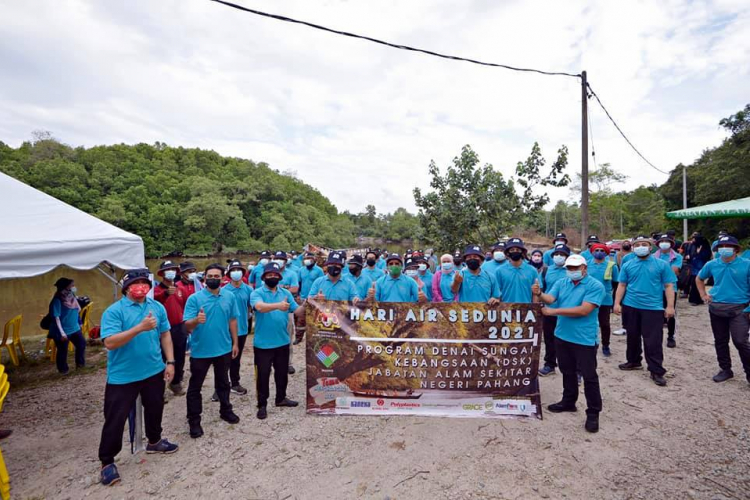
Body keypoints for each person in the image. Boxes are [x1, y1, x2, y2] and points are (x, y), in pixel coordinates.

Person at [98, 269, 178, 486]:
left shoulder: (156, 307)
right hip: (123, 376)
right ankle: (107, 461)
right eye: (136, 283)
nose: (141, 287)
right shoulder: (114, 311)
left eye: (145, 283)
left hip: (153, 370)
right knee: (115, 418)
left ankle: (154, 441)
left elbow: (165, 334)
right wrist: (139, 328)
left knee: (155, 408)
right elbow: (110, 342)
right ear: (126, 287)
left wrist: (170, 361)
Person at [533, 254, 604, 433]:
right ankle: (569, 401)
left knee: (589, 376)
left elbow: (583, 310)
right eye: (569, 268)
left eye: (576, 268)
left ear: (584, 268)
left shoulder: (595, 286)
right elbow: (550, 298)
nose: (572, 271)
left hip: (584, 339)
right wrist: (540, 293)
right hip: (562, 335)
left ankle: (593, 412)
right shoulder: (562, 282)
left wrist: (553, 312)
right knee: (567, 371)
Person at [183, 264, 240, 439]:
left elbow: (232, 320)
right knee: (195, 387)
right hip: (201, 350)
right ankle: (194, 420)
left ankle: (225, 410)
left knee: (223, 382)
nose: (213, 278)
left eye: (217, 276)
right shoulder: (194, 298)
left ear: (223, 278)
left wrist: (235, 342)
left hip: (223, 348)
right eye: (210, 276)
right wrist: (196, 320)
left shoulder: (229, 296)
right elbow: (186, 325)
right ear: (204, 278)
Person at [614, 235, 676, 386]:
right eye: (638, 244)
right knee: (632, 336)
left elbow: (669, 286)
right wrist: (617, 303)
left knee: (653, 341)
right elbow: (622, 285)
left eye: (644, 244)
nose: (641, 247)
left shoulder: (661, 264)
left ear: (650, 247)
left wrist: (669, 306)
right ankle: (634, 361)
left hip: (653, 308)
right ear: (633, 247)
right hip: (630, 305)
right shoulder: (628, 264)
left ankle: (656, 370)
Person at [250, 262, 304, 419]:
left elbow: (298, 311)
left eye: (275, 275)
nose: (272, 277)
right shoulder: (257, 293)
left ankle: (281, 398)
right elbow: (259, 307)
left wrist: (309, 304)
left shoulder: (285, 293)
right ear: (264, 277)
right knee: (263, 375)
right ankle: (262, 404)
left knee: (281, 374)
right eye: (269, 275)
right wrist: (278, 305)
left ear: (279, 277)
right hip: (263, 344)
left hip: (282, 342)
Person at [695, 235, 750, 384]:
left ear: (736, 249)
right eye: (721, 247)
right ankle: (725, 369)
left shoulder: (746, 264)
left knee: (740, 341)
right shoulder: (712, 264)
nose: (724, 249)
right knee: (720, 340)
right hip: (717, 307)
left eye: (728, 246)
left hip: (740, 308)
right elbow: (699, 278)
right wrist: (703, 294)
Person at [153, 261, 188, 395]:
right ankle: (159, 388)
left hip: (179, 327)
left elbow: (186, 306)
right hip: (161, 329)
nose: (171, 272)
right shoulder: (156, 290)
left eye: (174, 269)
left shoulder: (181, 289)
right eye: (168, 270)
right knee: (161, 358)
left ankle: (175, 383)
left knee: (179, 357)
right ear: (162, 273)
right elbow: (154, 302)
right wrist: (166, 294)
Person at [220, 260, 254, 396]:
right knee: (222, 359)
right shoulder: (223, 290)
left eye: (238, 269)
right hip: (226, 330)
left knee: (236, 358)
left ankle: (234, 383)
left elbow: (252, 307)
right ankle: (220, 386)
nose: (236, 272)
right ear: (228, 273)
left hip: (242, 329)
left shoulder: (248, 289)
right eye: (233, 270)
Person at [538, 244, 571, 376]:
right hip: (549, 310)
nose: (559, 256)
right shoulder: (546, 271)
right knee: (549, 339)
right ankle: (550, 364)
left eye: (562, 254)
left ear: (567, 257)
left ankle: (574, 369)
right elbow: (540, 289)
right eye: (556, 254)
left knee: (569, 340)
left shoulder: (572, 271)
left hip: (568, 311)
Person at [48, 277, 85, 374]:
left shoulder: (71, 296)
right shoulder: (57, 300)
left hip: (75, 328)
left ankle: (80, 365)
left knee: (81, 344)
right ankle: (63, 370)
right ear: (65, 287)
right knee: (62, 351)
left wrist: (79, 322)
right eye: (72, 285)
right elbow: (56, 318)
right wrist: (62, 333)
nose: (74, 287)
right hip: (63, 331)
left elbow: (76, 310)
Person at [587, 243, 618, 357]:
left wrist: (615, 300)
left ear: (606, 253)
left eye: (601, 250)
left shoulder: (612, 265)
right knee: (588, 321)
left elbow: (616, 283)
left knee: (604, 323)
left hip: (605, 299)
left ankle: (606, 345)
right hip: (589, 298)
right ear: (592, 252)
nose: (599, 252)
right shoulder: (586, 264)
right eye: (597, 250)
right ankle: (590, 343)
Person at [656, 234, 683, 348]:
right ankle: (656, 336)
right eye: (662, 241)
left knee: (670, 312)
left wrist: (660, 270)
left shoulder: (677, 256)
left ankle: (671, 336)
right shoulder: (653, 256)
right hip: (655, 288)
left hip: (671, 288)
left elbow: (674, 271)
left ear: (671, 243)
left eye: (667, 241)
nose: (664, 243)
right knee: (656, 313)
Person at [495, 238, 538, 304]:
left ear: (522, 252)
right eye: (512, 250)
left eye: (518, 250)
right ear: (508, 253)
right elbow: (497, 293)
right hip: (506, 310)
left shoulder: (532, 270)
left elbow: (535, 293)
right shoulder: (499, 271)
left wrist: (535, 310)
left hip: (526, 309)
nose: (515, 251)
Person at [686, 233, 712, 305]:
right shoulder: (694, 246)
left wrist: (698, 254)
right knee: (693, 283)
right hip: (694, 267)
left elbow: (706, 256)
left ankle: (697, 299)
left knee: (697, 283)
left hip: (700, 267)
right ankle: (693, 299)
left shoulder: (705, 247)